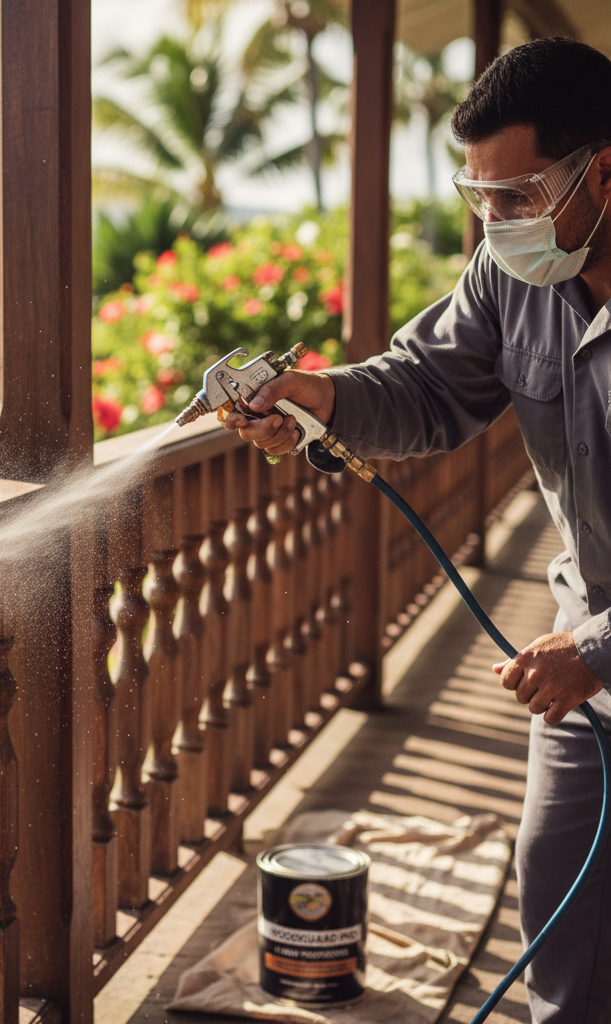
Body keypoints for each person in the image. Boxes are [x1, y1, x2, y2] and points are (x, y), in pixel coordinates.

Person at [224, 36, 611, 1024]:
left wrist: (598, 650)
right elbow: (431, 385)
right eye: (479, 197)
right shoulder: (511, 274)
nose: (495, 222)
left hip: (593, 652)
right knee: (560, 919)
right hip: (586, 667)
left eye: (517, 196)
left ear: (604, 172)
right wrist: (321, 396)